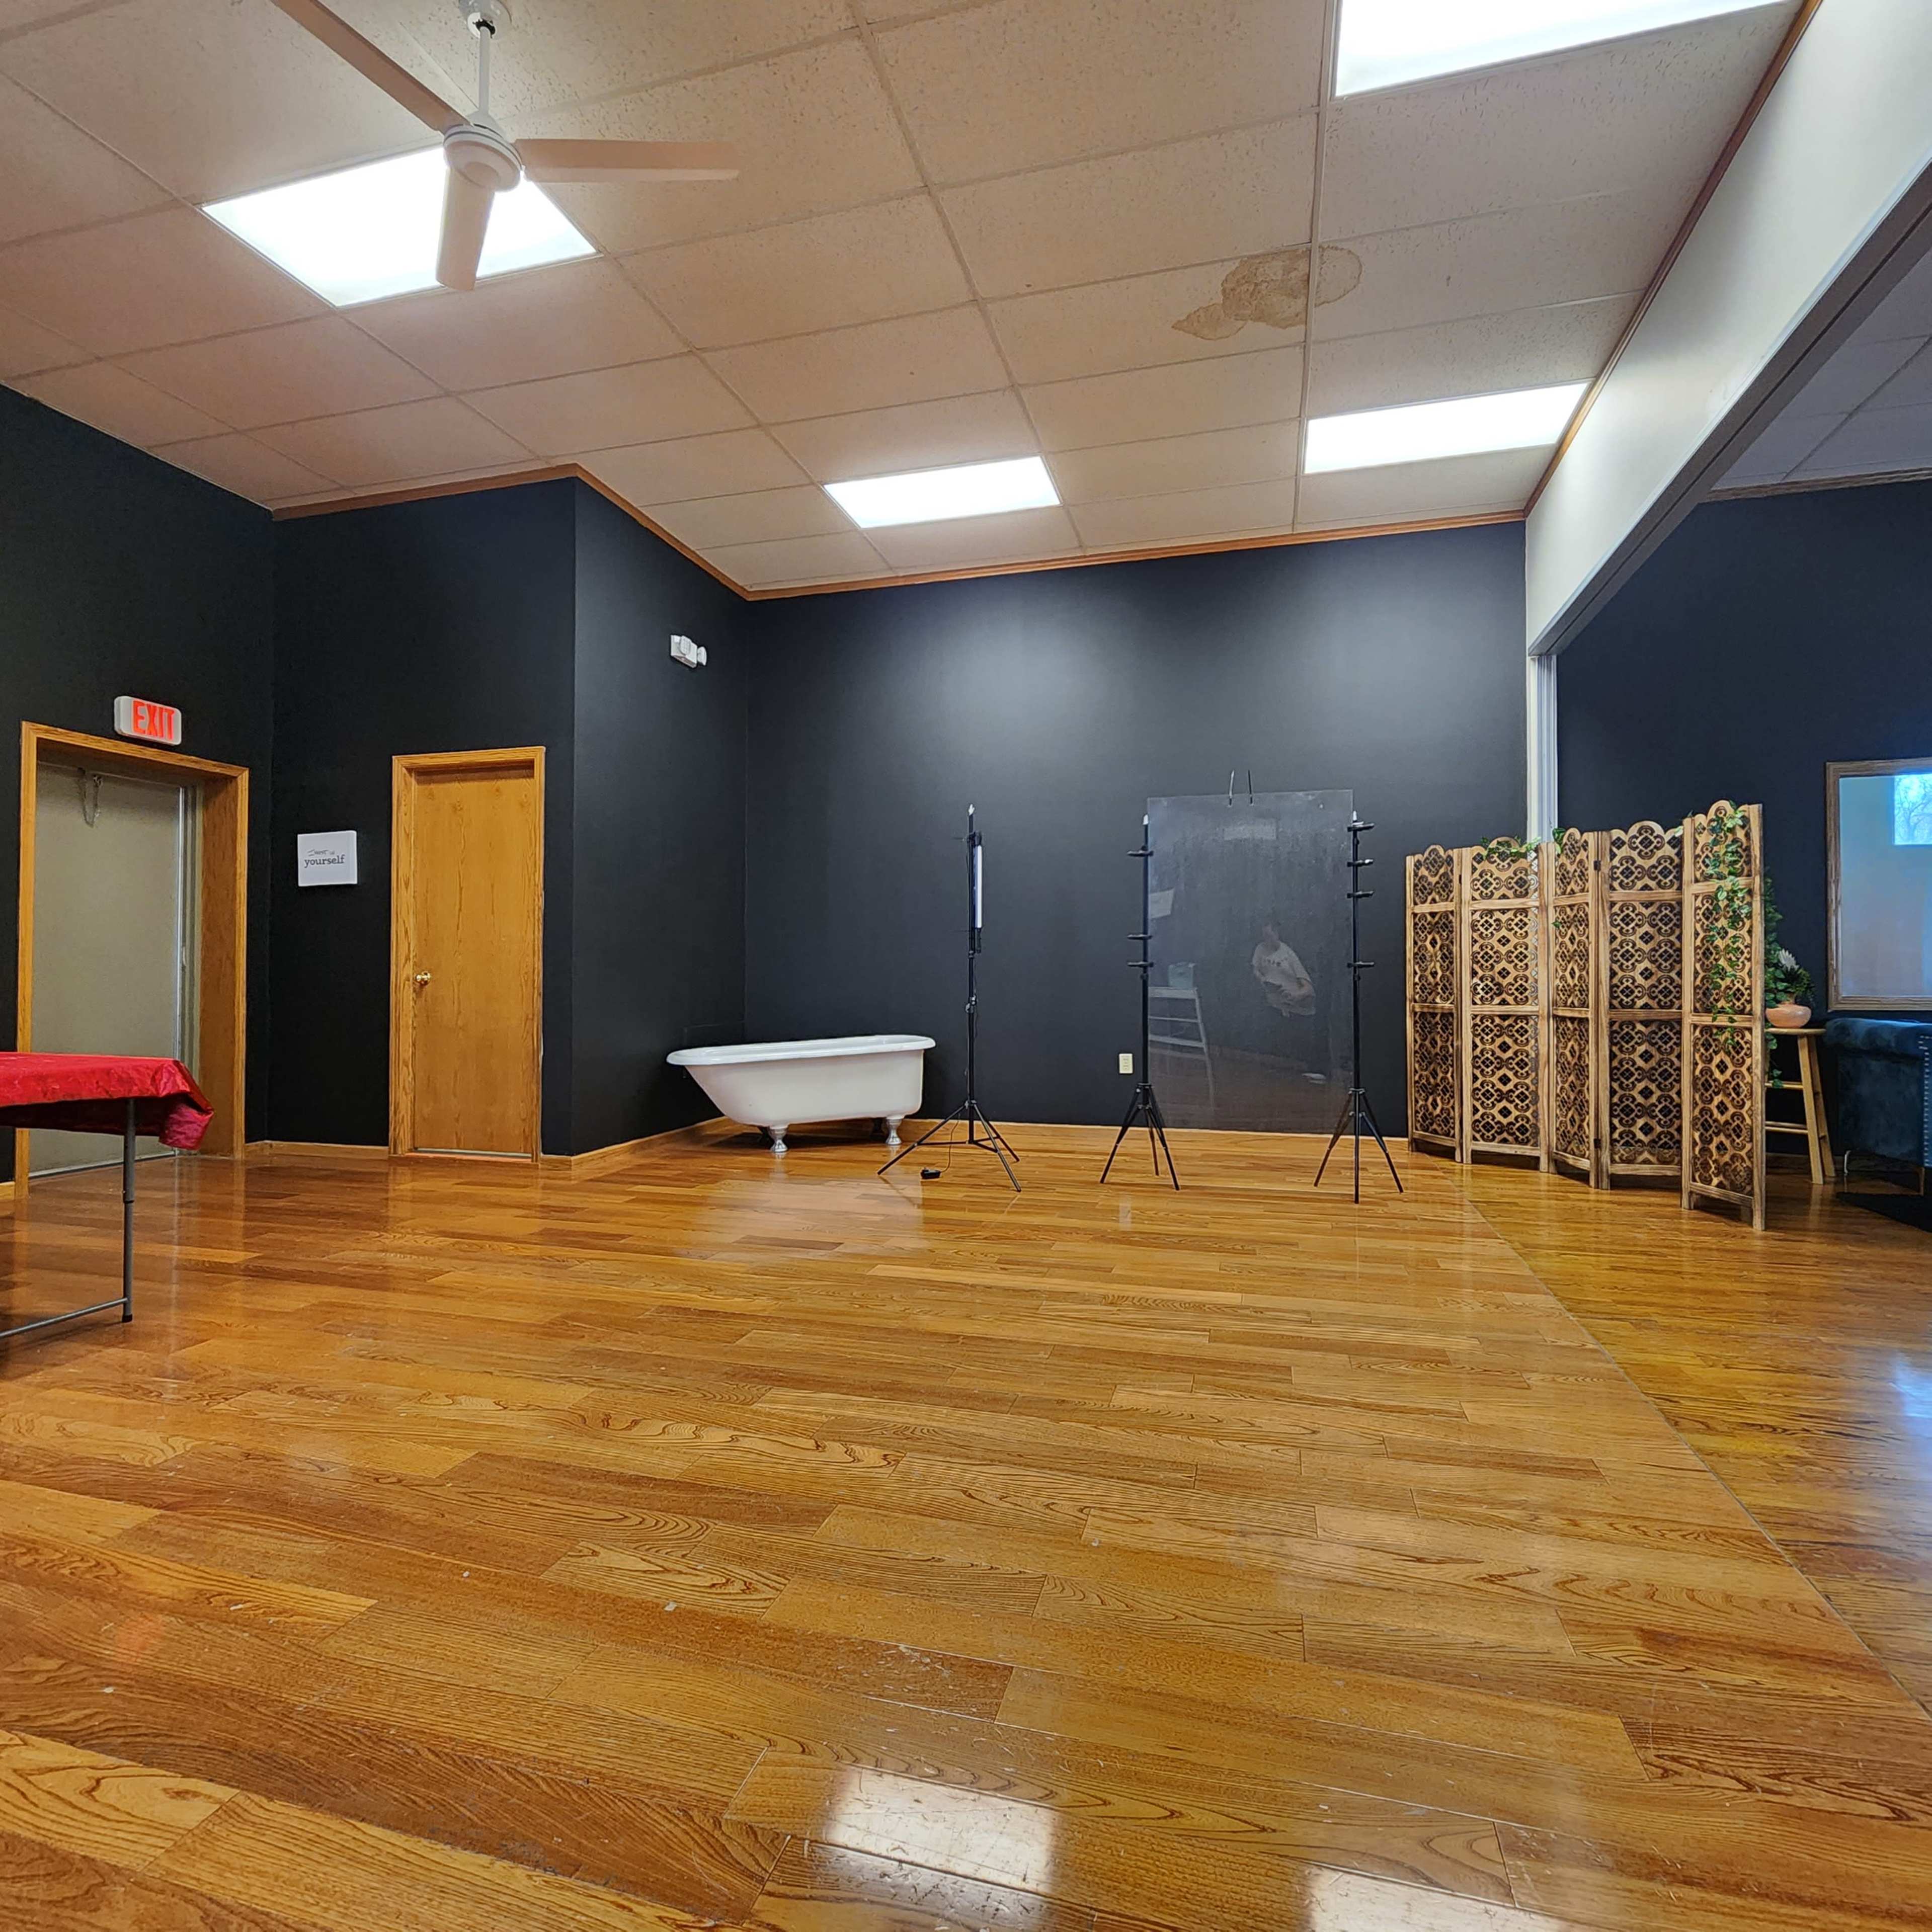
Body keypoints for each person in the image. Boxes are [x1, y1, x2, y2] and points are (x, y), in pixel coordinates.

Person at [1252, 919, 1323, 1079]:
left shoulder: (1288, 955)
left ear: (1277, 934)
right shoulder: (1260, 949)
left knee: (1305, 1050)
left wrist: (1294, 996)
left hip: (1300, 1009)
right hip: (1278, 1008)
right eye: (1264, 936)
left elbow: (1309, 990)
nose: (1267, 940)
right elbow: (1256, 969)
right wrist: (1263, 980)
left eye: (1270, 936)